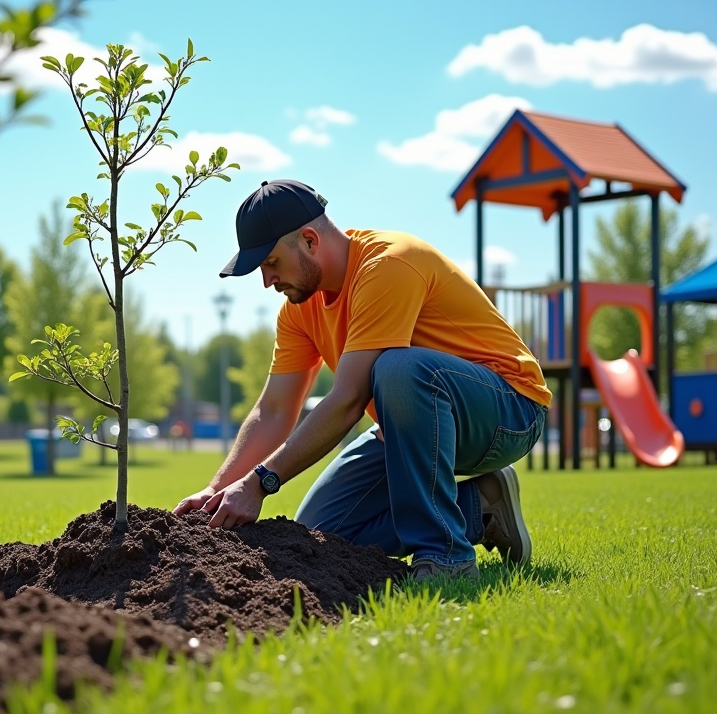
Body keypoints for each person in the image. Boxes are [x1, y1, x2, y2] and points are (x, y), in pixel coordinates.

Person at [173, 179, 552, 581]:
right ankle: (481, 507)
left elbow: (349, 399)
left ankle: (446, 559)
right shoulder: (300, 310)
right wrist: (217, 490)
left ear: (309, 240)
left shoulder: (389, 264)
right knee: (322, 537)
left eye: (270, 262)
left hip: (510, 408)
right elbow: (275, 409)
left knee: (398, 369)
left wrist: (261, 482)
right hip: (408, 426)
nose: (267, 281)